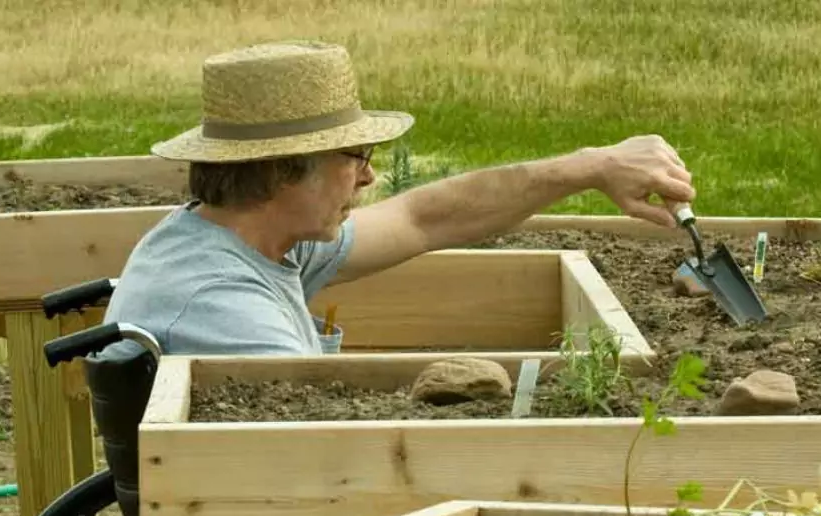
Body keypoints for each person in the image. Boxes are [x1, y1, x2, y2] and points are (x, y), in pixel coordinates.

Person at [97, 39, 695, 362]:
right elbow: (322, 445)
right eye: (353, 157)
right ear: (283, 171)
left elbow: (425, 217)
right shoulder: (224, 307)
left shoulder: (248, 241)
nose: (369, 177)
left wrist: (590, 165)